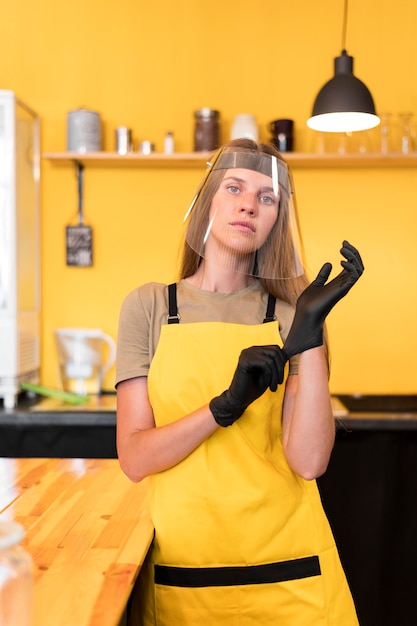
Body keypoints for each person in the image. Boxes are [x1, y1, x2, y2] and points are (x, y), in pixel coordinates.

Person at [115, 138, 364, 625]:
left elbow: (309, 461)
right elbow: (135, 457)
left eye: (266, 197)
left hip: (289, 570)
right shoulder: (149, 307)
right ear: (208, 200)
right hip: (187, 570)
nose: (249, 203)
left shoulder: (293, 314)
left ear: (276, 220)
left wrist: (309, 334)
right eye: (234, 188)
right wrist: (223, 407)